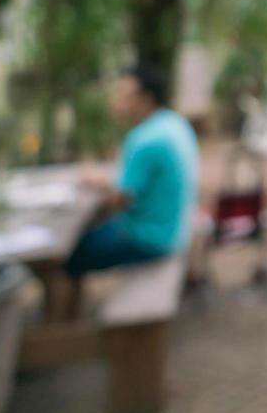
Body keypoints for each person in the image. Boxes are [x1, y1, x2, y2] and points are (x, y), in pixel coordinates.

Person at [58, 65, 199, 318]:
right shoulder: (173, 123)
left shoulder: (143, 139)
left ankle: (62, 322)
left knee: (66, 256)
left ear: (146, 99)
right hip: (174, 228)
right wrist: (103, 182)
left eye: (124, 95)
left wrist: (87, 215)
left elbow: (118, 200)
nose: (117, 101)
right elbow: (142, 180)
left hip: (151, 238)